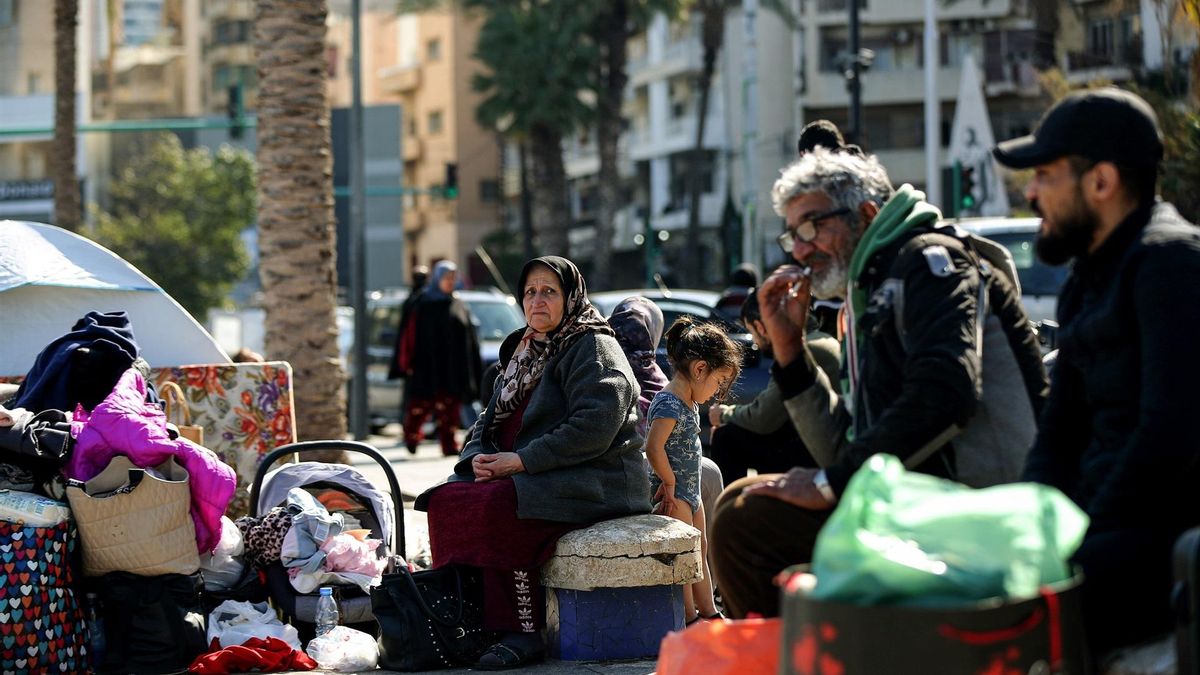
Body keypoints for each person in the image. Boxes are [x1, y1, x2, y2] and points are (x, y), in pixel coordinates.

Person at [708, 146, 1046, 619]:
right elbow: (846, 446)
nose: (801, 248)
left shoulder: (930, 262)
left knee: (749, 524)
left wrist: (830, 482)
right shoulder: (867, 289)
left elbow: (946, 393)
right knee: (740, 499)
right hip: (912, 494)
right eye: (792, 235)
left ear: (865, 214)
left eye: (811, 226)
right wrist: (789, 349)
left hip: (973, 507)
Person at [992, 87, 1200, 656]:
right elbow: (1059, 430)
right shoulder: (1090, 274)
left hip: (1153, 542)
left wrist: (1077, 547)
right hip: (1099, 529)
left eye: (1045, 176)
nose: (1031, 194)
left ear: (1101, 183)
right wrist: (1028, 526)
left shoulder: (1171, 266)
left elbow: (1169, 437)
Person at [416, 256, 651, 669]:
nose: (537, 301)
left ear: (570, 296)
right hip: (525, 471)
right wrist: (477, 460)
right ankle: (469, 621)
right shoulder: (522, 349)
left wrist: (521, 461)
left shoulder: (594, 346)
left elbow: (594, 427)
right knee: (445, 500)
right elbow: (485, 423)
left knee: (501, 509)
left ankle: (522, 630)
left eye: (549, 291)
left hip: (592, 476)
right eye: (529, 292)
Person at [645, 316, 741, 625]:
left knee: (700, 546)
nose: (715, 392)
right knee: (684, 554)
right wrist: (669, 482)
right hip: (673, 494)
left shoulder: (687, 402)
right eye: (716, 382)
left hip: (690, 491)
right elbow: (653, 446)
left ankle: (709, 612)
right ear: (700, 369)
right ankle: (687, 616)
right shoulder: (669, 403)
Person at [606, 296, 727, 521]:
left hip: (661, 469)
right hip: (623, 467)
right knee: (707, 475)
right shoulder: (603, 369)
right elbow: (652, 446)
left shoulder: (660, 378)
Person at [707, 287, 839, 485]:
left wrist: (724, 415)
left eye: (752, 332)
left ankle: (734, 511)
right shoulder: (820, 339)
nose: (757, 343)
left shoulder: (805, 350)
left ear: (760, 327)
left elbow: (765, 417)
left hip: (819, 452)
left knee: (726, 436)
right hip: (819, 443)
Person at [393, 261, 481, 456]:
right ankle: (412, 437)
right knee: (420, 406)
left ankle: (449, 445)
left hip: (452, 367)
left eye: (453, 278)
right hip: (426, 366)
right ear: (437, 279)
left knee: (450, 409)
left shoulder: (458, 304)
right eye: (446, 278)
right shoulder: (422, 303)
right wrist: (407, 363)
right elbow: (410, 336)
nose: (450, 282)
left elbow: (468, 337)